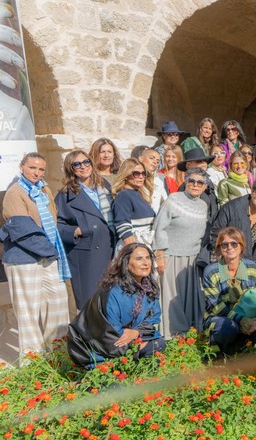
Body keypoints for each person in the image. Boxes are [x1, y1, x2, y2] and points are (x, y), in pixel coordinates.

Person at [1, 153, 71, 356]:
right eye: (33, 167)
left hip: (47, 255)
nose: (37, 172)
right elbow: (23, 230)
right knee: (29, 315)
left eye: (41, 169)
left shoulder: (44, 189)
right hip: (24, 260)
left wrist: (52, 252)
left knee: (58, 308)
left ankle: (58, 356)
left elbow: (54, 219)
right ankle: (34, 366)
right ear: (22, 166)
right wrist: (53, 252)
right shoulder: (15, 192)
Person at [67, 244, 165, 368]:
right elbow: (108, 334)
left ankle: (128, 366)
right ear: (126, 263)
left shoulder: (150, 288)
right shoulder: (112, 291)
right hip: (97, 348)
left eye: (147, 258)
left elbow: (153, 318)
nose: (145, 263)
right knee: (111, 383)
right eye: (139, 259)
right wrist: (133, 346)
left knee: (159, 343)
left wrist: (136, 333)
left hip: (128, 340)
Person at [152, 167, 209, 337]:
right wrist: (160, 254)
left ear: (205, 186)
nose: (195, 185)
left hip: (192, 259)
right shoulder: (173, 199)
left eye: (200, 182)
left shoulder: (203, 205)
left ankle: (189, 335)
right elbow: (159, 228)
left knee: (190, 298)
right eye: (192, 181)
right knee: (172, 298)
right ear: (185, 180)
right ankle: (172, 335)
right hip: (172, 256)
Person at [55, 150, 115, 310]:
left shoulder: (104, 186)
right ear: (71, 169)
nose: (83, 167)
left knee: (110, 300)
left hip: (110, 248)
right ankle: (91, 335)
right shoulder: (65, 195)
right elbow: (57, 227)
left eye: (86, 162)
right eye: (77, 164)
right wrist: (78, 231)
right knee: (90, 302)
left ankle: (109, 334)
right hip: (87, 252)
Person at [202, 227, 256, 356]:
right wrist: (241, 320)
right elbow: (215, 306)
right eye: (224, 244)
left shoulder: (251, 267)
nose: (229, 247)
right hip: (221, 318)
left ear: (241, 246)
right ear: (219, 248)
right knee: (227, 327)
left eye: (234, 243)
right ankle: (215, 355)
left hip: (251, 318)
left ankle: (244, 352)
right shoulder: (211, 271)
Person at [211, 180, 256, 269]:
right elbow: (216, 234)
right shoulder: (232, 207)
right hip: (226, 262)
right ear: (252, 192)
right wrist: (224, 256)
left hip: (249, 266)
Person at [112, 158, 156, 251]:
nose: (141, 177)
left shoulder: (140, 194)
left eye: (143, 174)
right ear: (126, 175)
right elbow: (123, 226)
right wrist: (134, 251)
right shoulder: (124, 195)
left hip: (144, 245)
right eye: (136, 173)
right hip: (133, 247)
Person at [138, 147, 167, 213]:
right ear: (141, 158)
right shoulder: (132, 177)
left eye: (157, 161)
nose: (155, 162)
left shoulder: (158, 180)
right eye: (151, 158)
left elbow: (166, 202)